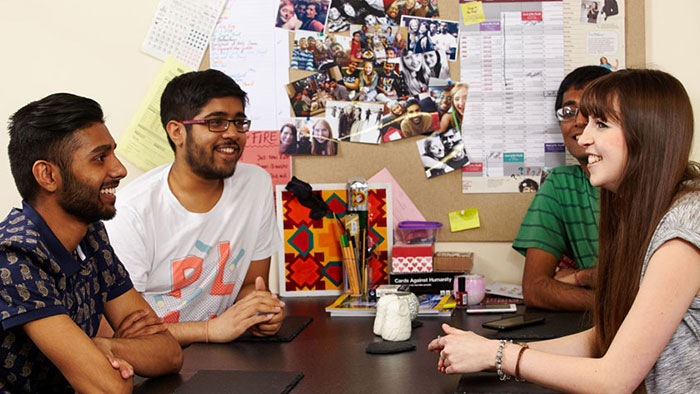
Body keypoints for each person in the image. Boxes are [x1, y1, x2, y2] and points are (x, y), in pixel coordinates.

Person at [430, 68, 700, 394]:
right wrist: (489, 350)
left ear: (647, 134)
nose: (584, 137)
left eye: (601, 125)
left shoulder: (684, 226)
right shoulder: (639, 211)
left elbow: (613, 379)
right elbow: (606, 338)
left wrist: (499, 355)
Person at [1, 93, 183, 392]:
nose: (120, 170)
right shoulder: (14, 258)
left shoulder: (91, 236)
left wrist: (105, 347)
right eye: (100, 158)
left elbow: (169, 353)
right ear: (47, 175)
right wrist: (117, 350)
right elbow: (111, 387)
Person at [105, 70, 285, 346]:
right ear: (177, 131)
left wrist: (258, 310)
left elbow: (251, 285)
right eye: (216, 123)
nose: (233, 134)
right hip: (152, 363)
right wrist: (210, 330)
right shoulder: (131, 212)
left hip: (226, 354)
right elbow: (115, 330)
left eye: (239, 122)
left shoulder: (256, 184)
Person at [512, 66, 611, 311]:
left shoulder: (657, 184)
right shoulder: (561, 183)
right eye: (568, 111)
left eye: (590, 111)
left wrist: (579, 277)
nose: (578, 121)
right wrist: (591, 280)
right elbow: (535, 289)